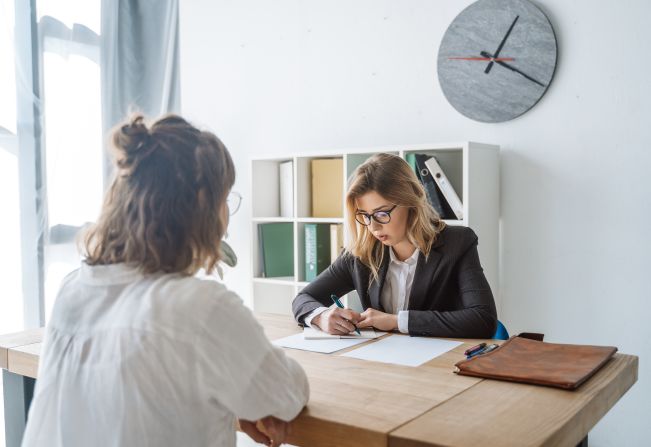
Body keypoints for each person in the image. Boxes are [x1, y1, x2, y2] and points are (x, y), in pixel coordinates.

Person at [22, 115, 308, 447]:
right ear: (202, 205)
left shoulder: (73, 288)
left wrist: (238, 396)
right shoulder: (200, 307)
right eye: (225, 199)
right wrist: (244, 397)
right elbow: (284, 392)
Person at [292, 153, 497, 338]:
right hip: (383, 366)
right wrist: (321, 316)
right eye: (365, 215)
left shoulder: (457, 243)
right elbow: (304, 298)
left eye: (382, 213)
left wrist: (396, 321)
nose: (373, 227)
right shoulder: (360, 252)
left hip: (440, 366)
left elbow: (483, 319)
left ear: (411, 203)